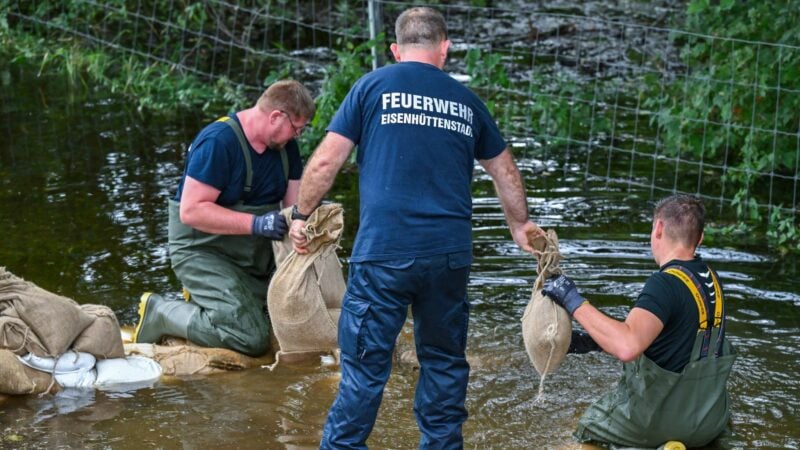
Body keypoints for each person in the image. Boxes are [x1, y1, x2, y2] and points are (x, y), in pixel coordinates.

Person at [288, 6, 543, 449]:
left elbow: (328, 160)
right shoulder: (467, 101)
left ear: (395, 49)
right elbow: (504, 169)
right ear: (445, 48)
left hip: (384, 252)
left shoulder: (371, 87)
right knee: (444, 364)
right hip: (448, 257)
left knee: (365, 370)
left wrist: (301, 216)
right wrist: (519, 226)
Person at [132, 79, 316, 357]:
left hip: (254, 256)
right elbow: (191, 211)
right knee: (250, 338)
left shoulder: (285, 148)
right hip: (203, 251)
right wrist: (256, 224)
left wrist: (305, 223)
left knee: (287, 322)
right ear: (276, 116)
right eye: (296, 129)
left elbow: (294, 206)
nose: (297, 136)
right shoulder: (219, 142)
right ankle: (162, 312)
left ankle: (209, 300)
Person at [542, 194, 736, 449]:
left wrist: (571, 298)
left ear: (658, 228)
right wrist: (592, 342)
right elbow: (673, 339)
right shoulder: (711, 278)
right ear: (699, 238)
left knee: (585, 431)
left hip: (659, 423)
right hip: (709, 421)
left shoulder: (665, 283)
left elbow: (628, 346)